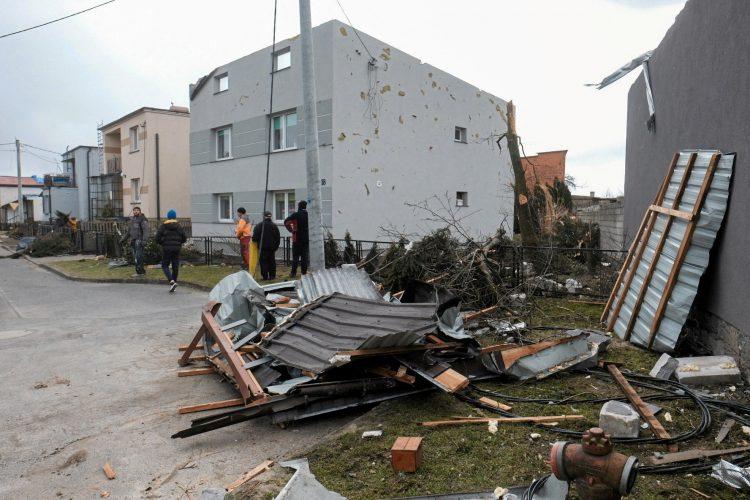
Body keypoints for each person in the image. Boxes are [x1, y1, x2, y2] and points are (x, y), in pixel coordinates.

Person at [156, 209, 187, 293]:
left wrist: (162, 243)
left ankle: (171, 281)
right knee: (175, 266)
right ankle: (174, 283)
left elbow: (157, 238)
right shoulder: (179, 226)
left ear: (168, 217)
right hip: (177, 248)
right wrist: (179, 242)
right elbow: (184, 238)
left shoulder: (163, 226)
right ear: (175, 217)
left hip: (166, 248)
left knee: (165, 265)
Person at [252, 211, 281, 280]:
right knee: (272, 261)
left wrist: (256, 242)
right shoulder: (274, 226)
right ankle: (272, 276)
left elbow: (255, 237)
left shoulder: (259, 226)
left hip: (262, 247)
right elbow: (277, 238)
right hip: (272, 248)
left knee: (263, 262)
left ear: (263, 216)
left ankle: (265, 276)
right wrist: (275, 247)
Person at [284, 200, 309, 277]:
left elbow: (286, 222)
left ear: (299, 206)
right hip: (306, 238)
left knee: (296, 256)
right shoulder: (308, 215)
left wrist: (291, 230)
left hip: (297, 238)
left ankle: (293, 273)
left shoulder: (295, 215)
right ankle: (304, 273)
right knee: (304, 256)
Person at [127, 206, 149, 277]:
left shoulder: (142, 219)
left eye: (137, 210)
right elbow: (129, 231)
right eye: (134, 210)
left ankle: (139, 272)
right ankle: (141, 271)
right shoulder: (132, 219)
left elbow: (146, 231)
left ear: (140, 211)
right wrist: (123, 239)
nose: (135, 211)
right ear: (133, 211)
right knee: (136, 257)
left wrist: (144, 240)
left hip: (139, 240)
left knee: (138, 257)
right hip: (133, 240)